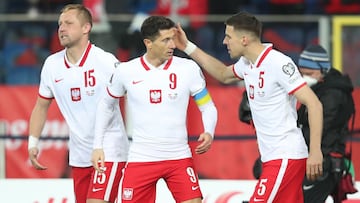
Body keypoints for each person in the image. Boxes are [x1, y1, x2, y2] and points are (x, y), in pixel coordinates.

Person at [174, 11, 324, 203]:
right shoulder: (247, 64)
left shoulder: (278, 63)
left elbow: (314, 104)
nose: (224, 42)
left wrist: (315, 152)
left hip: (285, 156)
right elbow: (222, 73)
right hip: (272, 158)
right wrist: (187, 47)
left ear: (244, 39)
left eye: (228, 36)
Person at [94, 15, 218, 203]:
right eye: (166, 40)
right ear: (148, 43)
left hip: (178, 156)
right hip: (141, 157)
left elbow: (207, 106)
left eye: (173, 39)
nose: (172, 45)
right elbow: (106, 105)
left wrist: (209, 131)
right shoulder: (126, 71)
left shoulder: (188, 69)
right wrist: (97, 146)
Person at [27, 4, 129, 203]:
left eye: (68, 23)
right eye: (59, 24)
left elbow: (134, 91)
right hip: (79, 155)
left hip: (109, 150)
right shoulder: (51, 65)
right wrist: (33, 143)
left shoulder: (105, 61)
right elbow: (41, 106)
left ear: (86, 28)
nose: (62, 29)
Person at [297, 44, 356, 203]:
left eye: (309, 73)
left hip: (324, 163)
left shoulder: (333, 95)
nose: (304, 77)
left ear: (323, 70)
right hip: (317, 161)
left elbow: (321, 128)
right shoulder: (319, 89)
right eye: (301, 73)